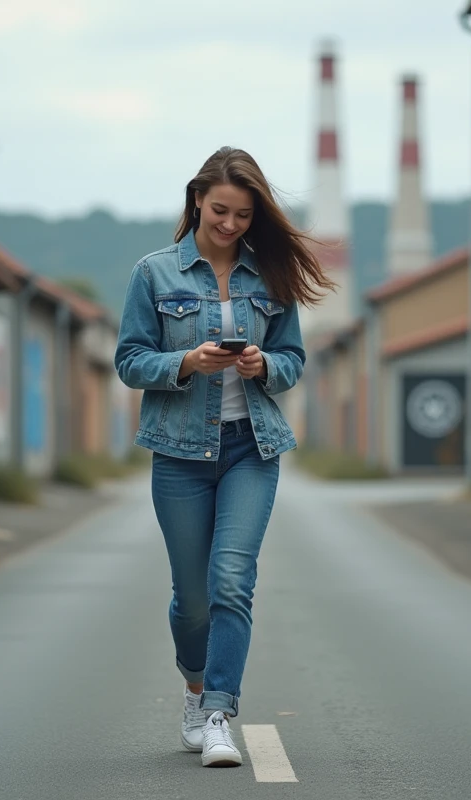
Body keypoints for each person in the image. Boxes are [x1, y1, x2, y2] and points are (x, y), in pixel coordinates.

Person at [114, 146, 335, 767]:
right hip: (180, 454)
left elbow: (292, 360)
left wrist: (266, 363)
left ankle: (217, 714)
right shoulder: (153, 274)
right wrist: (187, 361)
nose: (231, 225)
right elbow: (130, 361)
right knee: (194, 599)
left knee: (232, 580)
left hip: (252, 449)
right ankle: (193, 683)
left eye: (242, 215)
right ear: (196, 202)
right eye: (220, 211)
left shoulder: (271, 278)